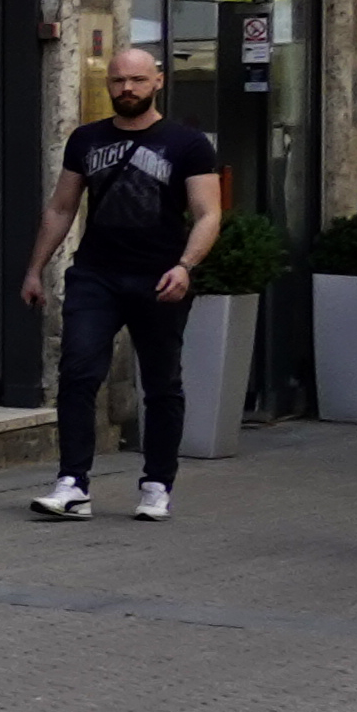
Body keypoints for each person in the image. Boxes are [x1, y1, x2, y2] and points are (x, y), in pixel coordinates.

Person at [21, 47, 221, 522]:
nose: (126, 89)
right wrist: (35, 269)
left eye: (136, 80)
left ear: (158, 82)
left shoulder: (188, 144)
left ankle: (157, 484)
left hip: (160, 277)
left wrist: (186, 265)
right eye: (117, 81)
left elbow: (209, 213)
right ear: (106, 85)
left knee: (161, 383)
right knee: (78, 373)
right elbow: (61, 208)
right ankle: (72, 484)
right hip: (96, 275)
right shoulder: (86, 139)